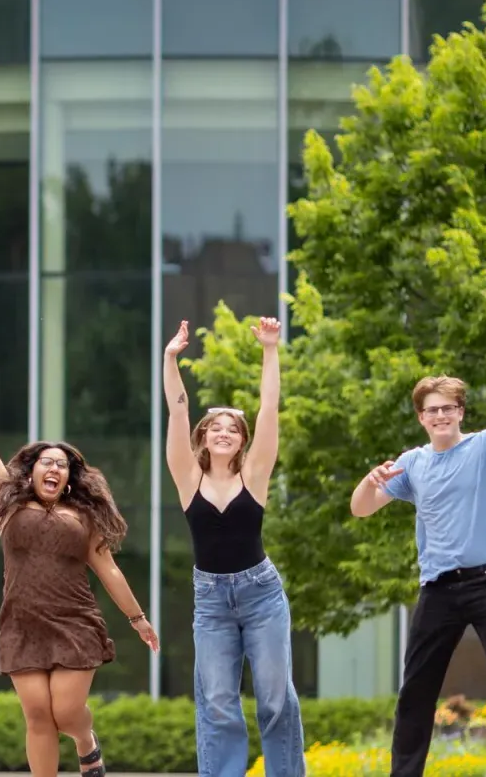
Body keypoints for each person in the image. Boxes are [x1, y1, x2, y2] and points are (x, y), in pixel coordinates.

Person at [349, 335, 486, 777]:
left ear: (460, 412)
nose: (440, 415)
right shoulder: (412, 464)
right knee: (415, 692)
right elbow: (361, 508)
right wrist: (368, 480)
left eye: (448, 407)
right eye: (432, 409)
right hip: (438, 591)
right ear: (421, 418)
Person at [0, 376, 157, 777]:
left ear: (69, 478)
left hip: (74, 622)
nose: (55, 468)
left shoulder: (82, 517)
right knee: (38, 717)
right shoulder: (7, 501)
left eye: (62, 465)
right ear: (31, 470)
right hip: (21, 623)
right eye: (48, 462)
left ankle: (85, 741)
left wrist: (137, 618)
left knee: (66, 712)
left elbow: (108, 568)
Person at [161, 317, 305, 777]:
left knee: (276, 697)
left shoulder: (255, 475)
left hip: (261, 594)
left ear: (242, 441)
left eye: (233, 430)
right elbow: (178, 411)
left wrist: (269, 349)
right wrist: (170, 360)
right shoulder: (187, 477)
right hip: (211, 601)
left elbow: (269, 408)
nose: (224, 433)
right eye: (216, 428)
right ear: (203, 437)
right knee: (219, 701)